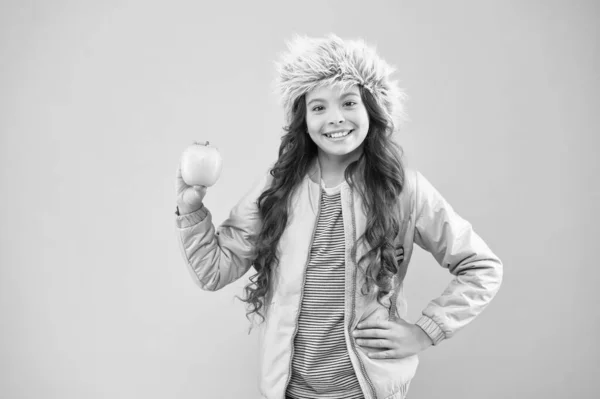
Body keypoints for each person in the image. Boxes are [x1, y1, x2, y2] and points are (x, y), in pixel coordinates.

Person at [174, 34, 503, 399]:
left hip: (366, 392)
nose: (335, 119)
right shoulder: (278, 186)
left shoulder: (404, 190)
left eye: (349, 102)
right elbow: (213, 270)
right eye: (318, 107)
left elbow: (482, 266)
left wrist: (427, 330)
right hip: (290, 392)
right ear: (303, 119)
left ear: (372, 112)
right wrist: (191, 209)